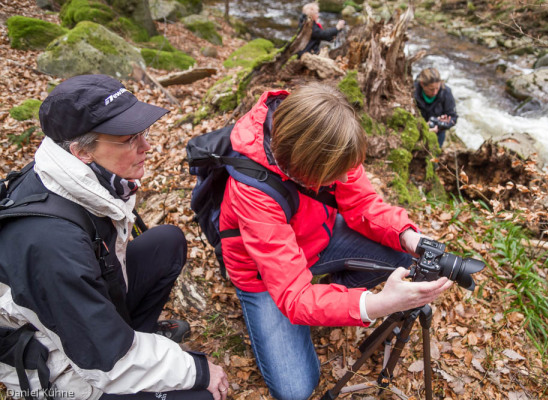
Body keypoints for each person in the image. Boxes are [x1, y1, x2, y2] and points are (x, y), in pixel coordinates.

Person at [218, 83, 454, 400]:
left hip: (317, 238)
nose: (344, 179)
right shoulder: (253, 191)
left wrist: (409, 237)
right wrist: (380, 304)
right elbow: (292, 295)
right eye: (335, 174)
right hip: (263, 276)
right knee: (295, 389)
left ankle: (328, 295)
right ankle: (323, 302)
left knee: (400, 256)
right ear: (303, 165)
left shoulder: (330, 138)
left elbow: (363, 205)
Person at [0, 75, 229, 400]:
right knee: (201, 395)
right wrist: (198, 370)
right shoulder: (51, 243)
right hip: (55, 364)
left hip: (75, 316)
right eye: (129, 139)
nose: (146, 146)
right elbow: (105, 363)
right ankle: (134, 350)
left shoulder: (77, 175)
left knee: (166, 243)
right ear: (82, 152)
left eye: (142, 133)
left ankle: (136, 338)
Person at [414, 67, 458, 148]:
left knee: (434, 156)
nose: (435, 92)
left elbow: (453, 117)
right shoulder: (413, 91)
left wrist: (444, 123)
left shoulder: (446, 92)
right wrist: (423, 128)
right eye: (431, 89)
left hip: (438, 133)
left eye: (437, 88)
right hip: (417, 131)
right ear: (422, 84)